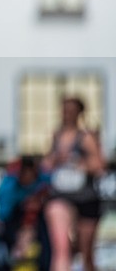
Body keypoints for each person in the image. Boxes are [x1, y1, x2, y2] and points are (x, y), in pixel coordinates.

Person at [42, 96, 105, 271]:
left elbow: (100, 165)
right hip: (60, 196)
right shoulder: (57, 135)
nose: (66, 114)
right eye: (64, 109)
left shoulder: (86, 137)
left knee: (86, 255)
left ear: (78, 113)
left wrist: (79, 163)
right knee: (61, 250)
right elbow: (45, 164)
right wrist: (54, 160)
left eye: (70, 110)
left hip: (86, 197)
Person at [0, 156, 51, 271]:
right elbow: (3, 215)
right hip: (13, 224)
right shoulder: (9, 187)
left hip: (37, 228)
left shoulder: (44, 182)